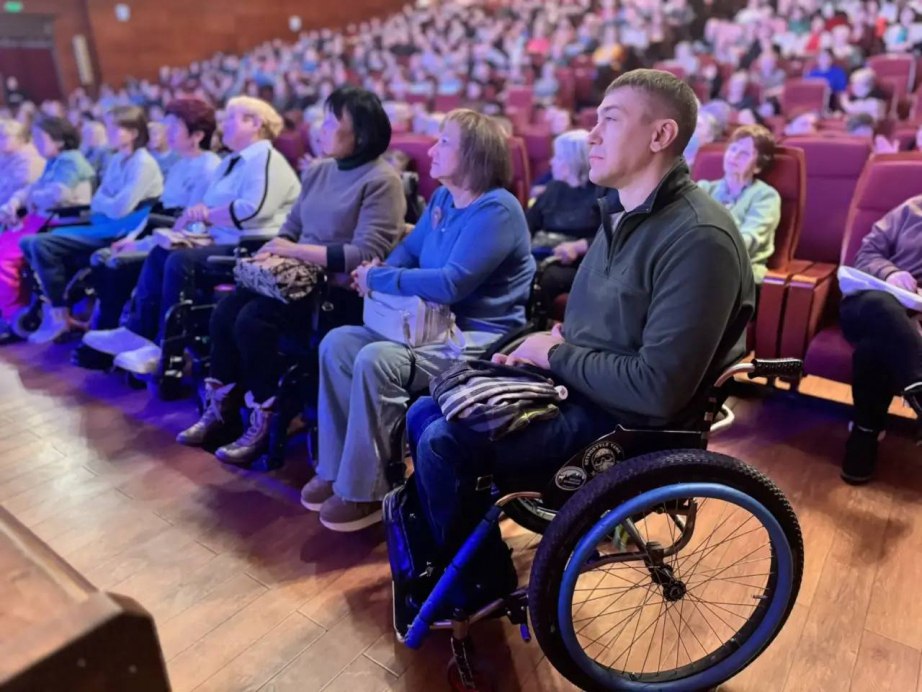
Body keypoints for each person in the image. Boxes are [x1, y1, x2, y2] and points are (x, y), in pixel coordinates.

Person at [404, 69, 756, 615]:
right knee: (427, 405)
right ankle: (459, 563)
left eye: (608, 120)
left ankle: (478, 588)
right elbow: (599, 327)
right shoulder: (621, 212)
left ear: (660, 135)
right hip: (579, 390)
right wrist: (545, 348)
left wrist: (554, 354)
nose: (591, 134)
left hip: (627, 426)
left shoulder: (698, 239)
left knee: (442, 441)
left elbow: (658, 390)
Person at [300, 109, 536, 532]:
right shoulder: (444, 199)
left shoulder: (498, 210)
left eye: (444, 142)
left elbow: (451, 284)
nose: (431, 150)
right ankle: (335, 470)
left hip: (479, 338)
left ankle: (369, 489)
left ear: (474, 153)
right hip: (426, 326)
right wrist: (378, 272)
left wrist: (379, 278)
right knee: (338, 344)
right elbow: (410, 250)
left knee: (376, 359)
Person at [176, 87, 406, 466]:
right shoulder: (319, 171)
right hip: (292, 279)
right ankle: (223, 411)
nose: (321, 128)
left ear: (362, 133)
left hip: (334, 292)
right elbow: (292, 227)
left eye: (332, 122)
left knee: (252, 321)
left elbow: (365, 254)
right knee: (225, 312)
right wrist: (275, 249)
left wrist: (294, 251)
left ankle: (266, 416)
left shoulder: (382, 180)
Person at [82, 96, 300, 375]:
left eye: (230, 118)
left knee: (180, 260)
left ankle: (166, 347)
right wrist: (191, 230)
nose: (222, 125)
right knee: (162, 252)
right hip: (222, 241)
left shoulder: (266, 159)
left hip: (255, 249)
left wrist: (206, 216)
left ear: (255, 123)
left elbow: (253, 210)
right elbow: (204, 211)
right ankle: (137, 332)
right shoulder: (230, 163)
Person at [75, 99, 221, 368]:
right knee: (103, 258)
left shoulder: (209, 167)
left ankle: (124, 340)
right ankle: (114, 337)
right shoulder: (179, 165)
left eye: (175, 127)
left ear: (197, 135)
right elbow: (158, 212)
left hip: (183, 241)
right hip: (164, 232)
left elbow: (192, 225)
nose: (167, 133)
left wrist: (143, 244)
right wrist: (134, 238)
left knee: (117, 263)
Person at [19, 106, 164, 344]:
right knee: (27, 242)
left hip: (124, 229)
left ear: (133, 133)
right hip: (102, 223)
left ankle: (60, 315)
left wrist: (108, 203)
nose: (109, 132)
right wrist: (109, 203)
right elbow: (99, 201)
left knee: (40, 244)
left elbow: (120, 208)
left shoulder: (144, 163)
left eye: (114, 128)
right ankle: (60, 310)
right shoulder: (117, 159)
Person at [840, 197, 922, 484]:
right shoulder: (911, 209)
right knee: (882, 306)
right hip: (871, 303)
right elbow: (866, 253)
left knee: (875, 346)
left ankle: (865, 433)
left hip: (912, 322)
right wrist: (892, 273)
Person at [0, 116, 95, 340]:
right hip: (44, 219)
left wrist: (31, 200)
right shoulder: (55, 161)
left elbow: (57, 195)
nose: (37, 143)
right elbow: (34, 189)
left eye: (41, 138)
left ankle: (14, 315)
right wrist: (16, 202)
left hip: (61, 222)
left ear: (59, 140)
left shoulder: (70, 161)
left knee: (4, 257)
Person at [697, 124, 782, 283]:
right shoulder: (703, 189)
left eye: (744, 154)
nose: (734, 156)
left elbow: (747, 242)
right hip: (696, 267)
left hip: (740, 274)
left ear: (758, 166)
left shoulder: (766, 196)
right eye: (733, 149)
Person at [526, 129, 600, 303]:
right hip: (542, 252)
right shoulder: (553, 188)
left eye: (558, 157)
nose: (551, 162)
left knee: (547, 277)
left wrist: (578, 247)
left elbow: (611, 236)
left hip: (578, 262)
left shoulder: (602, 193)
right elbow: (527, 225)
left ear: (573, 161)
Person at [0, 119, 45, 209]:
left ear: (20, 139)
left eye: (5, 137)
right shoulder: (5, 157)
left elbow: (19, 190)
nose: (1, 141)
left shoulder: (30, 158)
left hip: (19, 209)